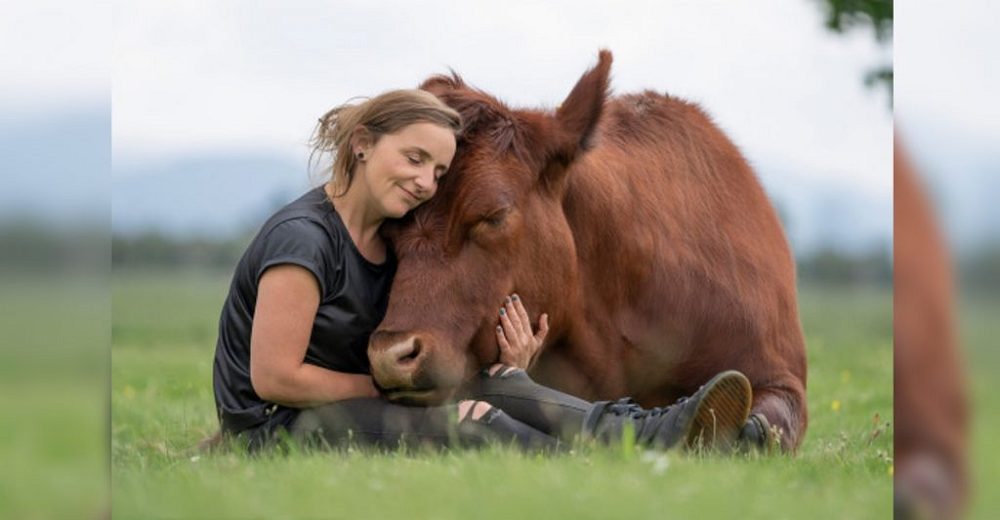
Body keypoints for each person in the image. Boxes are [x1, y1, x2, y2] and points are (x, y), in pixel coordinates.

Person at [211, 89, 754, 452]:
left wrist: (504, 366)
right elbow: (274, 378)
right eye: (414, 158)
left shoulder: (387, 234)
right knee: (473, 419)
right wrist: (386, 389)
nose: (426, 182)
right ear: (362, 144)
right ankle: (593, 462)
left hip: (350, 397)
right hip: (276, 424)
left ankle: (662, 432)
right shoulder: (303, 239)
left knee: (501, 387)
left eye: (439, 170)